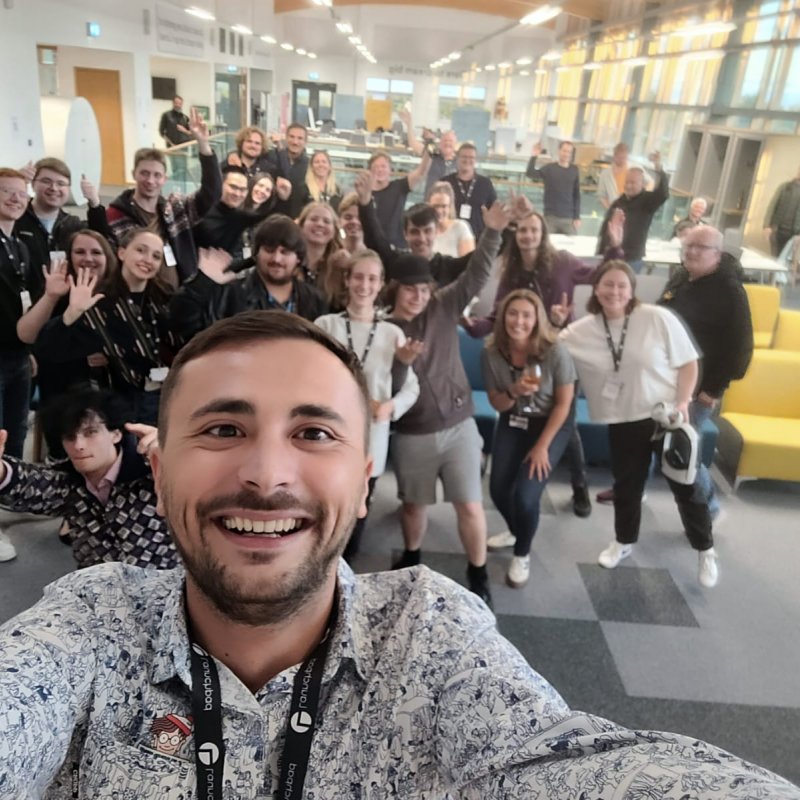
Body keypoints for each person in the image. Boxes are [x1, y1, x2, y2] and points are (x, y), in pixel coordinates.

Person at [0, 311, 798, 797]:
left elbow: (563, 763)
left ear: (363, 476)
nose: (267, 474)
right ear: (161, 462)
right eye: (221, 429)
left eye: (314, 433)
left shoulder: (429, 634)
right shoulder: (90, 622)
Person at [560, 260, 720, 588]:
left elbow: (689, 362)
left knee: (686, 486)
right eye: (608, 284)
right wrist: (552, 322)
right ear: (596, 288)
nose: (614, 291)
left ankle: (705, 549)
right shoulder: (581, 331)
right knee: (627, 487)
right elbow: (549, 348)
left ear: (632, 290)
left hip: (665, 417)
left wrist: (683, 400)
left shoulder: (656, 317)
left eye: (622, 285)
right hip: (622, 420)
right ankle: (623, 541)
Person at [385, 200, 512, 605]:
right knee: (413, 509)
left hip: (459, 427)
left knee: (471, 508)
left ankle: (478, 575)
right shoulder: (385, 329)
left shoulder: (443, 305)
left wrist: (491, 232)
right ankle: (412, 561)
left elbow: (476, 275)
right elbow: (384, 389)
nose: (419, 296)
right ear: (396, 289)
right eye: (411, 289)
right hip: (413, 433)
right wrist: (401, 364)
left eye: (424, 288)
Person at [464, 208, 627, 519]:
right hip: (528, 355)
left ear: (542, 234)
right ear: (516, 235)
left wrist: (614, 247)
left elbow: (599, 276)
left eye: (533, 230)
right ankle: (523, 479)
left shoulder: (562, 262)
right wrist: (472, 327)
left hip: (559, 351)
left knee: (567, 422)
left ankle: (579, 484)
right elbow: (501, 313)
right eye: (522, 231)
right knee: (528, 407)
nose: (527, 236)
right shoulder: (511, 270)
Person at [315, 250, 419, 561]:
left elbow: (413, 387)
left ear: (381, 285)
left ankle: (346, 564)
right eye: (358, 276)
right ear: (347, 280)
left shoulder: (392, 333)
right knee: (327, 497)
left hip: (373, 433)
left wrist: (390, 408)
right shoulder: (326, 325)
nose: (364, 284)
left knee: (360, 503)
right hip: (330, 429)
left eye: (372, 279)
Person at [0, 387, 177, 570]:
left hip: (165, 587)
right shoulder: (69, 481)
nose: (79, 445)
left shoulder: (152, 471)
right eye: (70, 436)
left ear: (116, 434)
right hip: (99, 589)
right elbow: (30, 483)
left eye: (90, 432)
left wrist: (176, 457)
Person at [481, 290, 577, 588]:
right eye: (513, 314)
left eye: (526, 315)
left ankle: (522, 553)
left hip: (552, 424)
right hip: (514, 418)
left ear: (537, 319)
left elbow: (564, 404)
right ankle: (517, 530)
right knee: (497, 490)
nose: (518, 321)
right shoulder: (491, 353)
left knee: (526, 495)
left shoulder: (554, 350)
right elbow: (497, 404)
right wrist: (514, 391)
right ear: (503, 317)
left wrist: (542, 447)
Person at [658, 225, 753, 519]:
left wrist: (713, 390)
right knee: (654, 439)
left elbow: (741, 351)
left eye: (700, 247)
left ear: (718, 253)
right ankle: (635, 490)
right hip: (665, 378)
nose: (691, 251)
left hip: (700, 390)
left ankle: (708, 506)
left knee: (686, 450)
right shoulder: (681, 277)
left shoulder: (730, 291)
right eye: (688, 246)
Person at [36, 228, 178, 425]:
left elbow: (184, 339)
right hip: (120, 403)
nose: (148, 259)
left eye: (156, 256)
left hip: (167, 398)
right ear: (121, 253)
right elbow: (48, 349)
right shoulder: (98, 300)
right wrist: (71, 314)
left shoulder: (164, 298)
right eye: (141, 250)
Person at [106, 108, 221, 286]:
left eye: (157, 175)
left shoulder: (175, 208)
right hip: (141, 296)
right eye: (144, 173)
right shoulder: (116, 215)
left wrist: (203, 144)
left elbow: (211, 194)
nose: (150, 180)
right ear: (133, 174)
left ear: (164, 179)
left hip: (179, 295)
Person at [169, 215, 327, 342]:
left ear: (298, 258)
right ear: (256, 253)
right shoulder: (229, 294)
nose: (277, 259)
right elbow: (182, 327)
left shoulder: (314, 300)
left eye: (285, 252)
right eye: (269, 250)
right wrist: (201, 283)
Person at [14, 158, 109, 298]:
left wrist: (95, 205)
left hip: (63, 301)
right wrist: (16, 184)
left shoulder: (73, 225)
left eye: (61, 184)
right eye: (46, 181)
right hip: (20, 300)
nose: (54, 188)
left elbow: (103, 243)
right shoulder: (15, 219)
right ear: (33, 184)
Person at [0, 167, 34, 563]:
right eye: (6, 192)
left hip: (18, 355)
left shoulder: (19, 246)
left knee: (16, 430)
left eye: (18, 192)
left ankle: (9, 498)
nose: (14, 198)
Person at [192, 165, 289, 260]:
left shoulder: (255, 218)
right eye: (260, 185)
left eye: (268, 190)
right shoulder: (212, 210)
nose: (262, 191)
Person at [596, 151, 668, 271]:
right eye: (627, 182)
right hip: (613, 257)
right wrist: (600, 253)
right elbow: (605, 229)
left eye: (633, 183)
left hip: (633, 259)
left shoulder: (648, 201)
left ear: (642, 184)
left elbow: (663, 194)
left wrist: (659, 168)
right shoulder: (618, 202)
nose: (629, 186)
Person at [368, 148, 431, 250]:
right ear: (370, 171)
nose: (379, 170)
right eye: (376, 167)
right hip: (371, 248)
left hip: (397, 247)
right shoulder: (365, 195)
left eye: (383, 166)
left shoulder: (399, 187)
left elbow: (421, 172)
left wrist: (429, 150)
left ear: (390, 170)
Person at [297, 201, 347, 309]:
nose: (320, 224)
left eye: (327, 221)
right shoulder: (287, 262)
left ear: (334, 231)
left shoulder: (339, 268)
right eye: (314, 219)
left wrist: (351, 266)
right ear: (301, 226)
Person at [525, 141, 581, 234]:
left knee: (571, 245)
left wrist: (577, 217)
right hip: (550, 218)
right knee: (548, 245)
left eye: (569, 152)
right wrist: (534, 156)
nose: (566, 154)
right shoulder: (549, 168)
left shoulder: (574, 170)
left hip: (568, 219)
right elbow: (530, 173)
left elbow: (576, 195)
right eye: (564, 151)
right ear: (559, 151)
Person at [444, 143, 497, 239]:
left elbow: (494, 209)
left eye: (471, 157)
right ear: (457, 158)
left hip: (478, 238)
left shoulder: (485, 184)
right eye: (464, 156)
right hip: (451, 237)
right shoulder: (445, 182)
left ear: (475, 160)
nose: (467, 160)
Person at [400, 110, 458, 194]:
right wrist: (409, 124)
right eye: (445, 140)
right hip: (431, 200)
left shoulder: (460, 161)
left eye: (450, 141)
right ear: (440, 142)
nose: (447, 143)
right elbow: (413, 143)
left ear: (455, 144)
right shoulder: (432, 154)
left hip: (450, 202)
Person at [266, 122, 310, 219]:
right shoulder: (271, 156)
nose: (295, 142)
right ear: (286, 137)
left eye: (300, 138)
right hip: (269, 216)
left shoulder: (309, 165)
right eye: (292, 137)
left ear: (306, 142)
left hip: (295, 219)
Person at [427, 181, 475, 257]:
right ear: (428, 205)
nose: (439, 211)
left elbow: (468, 264)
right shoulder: (424, 230)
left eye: (444, 206)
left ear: (450, 207)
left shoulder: (461, 228)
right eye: (435, 206)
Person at [763, 165, 800, 256]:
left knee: (787, 260)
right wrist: (767, 225)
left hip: (795, 234)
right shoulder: (785, 187)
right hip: (777, 231)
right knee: (775, 257)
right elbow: (772, 206)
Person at [597, 142, 644, 210]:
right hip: (615, 209)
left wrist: (642, 196)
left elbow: (650, 182)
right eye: (620, 157)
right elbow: (601, 195)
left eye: (624, 157)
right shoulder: (605, 174)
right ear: (614, 156)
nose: (622, 160)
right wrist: (610, 210)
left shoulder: (634, 169)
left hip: (632, 208)